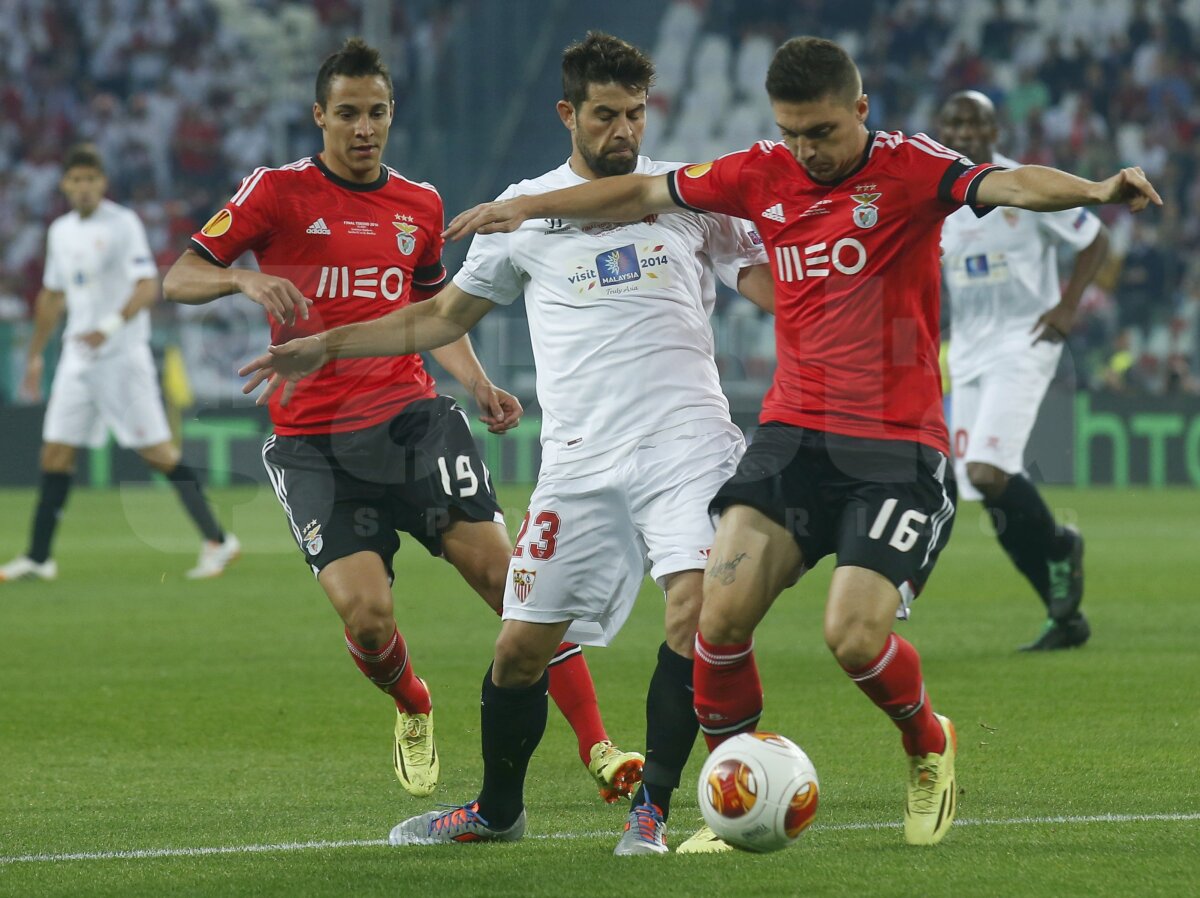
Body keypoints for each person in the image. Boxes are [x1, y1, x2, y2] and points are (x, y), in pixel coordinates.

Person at [438, 36, 1160, 847]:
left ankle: (927, 741)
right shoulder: (758, 171)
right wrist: (526, 207)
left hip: (893, 446)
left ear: (859, 110)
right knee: (717, 613)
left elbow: (1010, 181)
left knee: (852, 636)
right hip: (792, 437)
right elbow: (643, 190)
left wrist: (1094, 188)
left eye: (820, 131)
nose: (806, 151)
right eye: (792, 133)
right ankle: (736, 794)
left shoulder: (913, 167)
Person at [238, 32, 775, 854]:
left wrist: (832, 293)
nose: (622, 131)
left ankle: (657, 809)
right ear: (568, 114)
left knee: (698, 614)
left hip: (687, 443)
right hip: (579, 460)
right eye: (604, 115)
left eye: (634, 114)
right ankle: (497, 812)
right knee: (522, 647)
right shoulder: (519, 212)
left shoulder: (685, 197)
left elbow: (765, 284)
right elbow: (437, 318)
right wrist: (328, 344)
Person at [161, 37, 640, 803]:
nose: (363, 128)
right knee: (369, 619)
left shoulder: (419, 205)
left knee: (510, 579)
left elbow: (433, 316)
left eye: (376, 112)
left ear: (390, 116)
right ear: (319, 116)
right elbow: (179, 277)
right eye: (347, 113)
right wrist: (243, 284)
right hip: (314, 444)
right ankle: (412, 700)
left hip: (413, 423)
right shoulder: (275, 193)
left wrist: (479, 384)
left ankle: (601, 747)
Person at [0, 144, 239, 584]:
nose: (84, 187)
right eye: (76, 180)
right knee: (55, 452)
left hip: (121, 357)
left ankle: (218, 540)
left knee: (157, 454)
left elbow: (148, 285)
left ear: (102, 183)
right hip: (77, 357)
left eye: (92, 179)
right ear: (65, 185)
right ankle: (38, 556)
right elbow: (52, 296)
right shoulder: (60, 231)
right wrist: (35, 356)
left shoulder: (122, 224)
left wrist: (108, 327)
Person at [938, 90, 1108, 652]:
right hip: (966, 352)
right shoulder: (935, 199)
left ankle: (1060, 546)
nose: (963, 131)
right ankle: (1064, 617)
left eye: (974, 122)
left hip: (1025, 340)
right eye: (954, 123)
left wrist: (1066, 307)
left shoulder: (1024, 184)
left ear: (994, 130)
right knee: (986, 489)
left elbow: (1095, 238)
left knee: (986, 471)